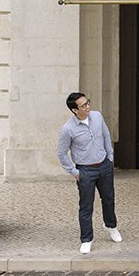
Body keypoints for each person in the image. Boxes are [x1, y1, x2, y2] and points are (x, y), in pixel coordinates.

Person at [57, 91, 121, 254]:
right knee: (86, 206)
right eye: (83, 105)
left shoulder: (97, 117)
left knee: (108, 198)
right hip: (85, 170)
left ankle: (110, 225)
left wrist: (110, 158)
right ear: (74, 110)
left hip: (104, 165)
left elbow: (106, 136)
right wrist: (74, 172)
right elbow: (61, 153)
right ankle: (86, 239)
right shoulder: (68, 129)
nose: (87, 106)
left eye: (87, 102)